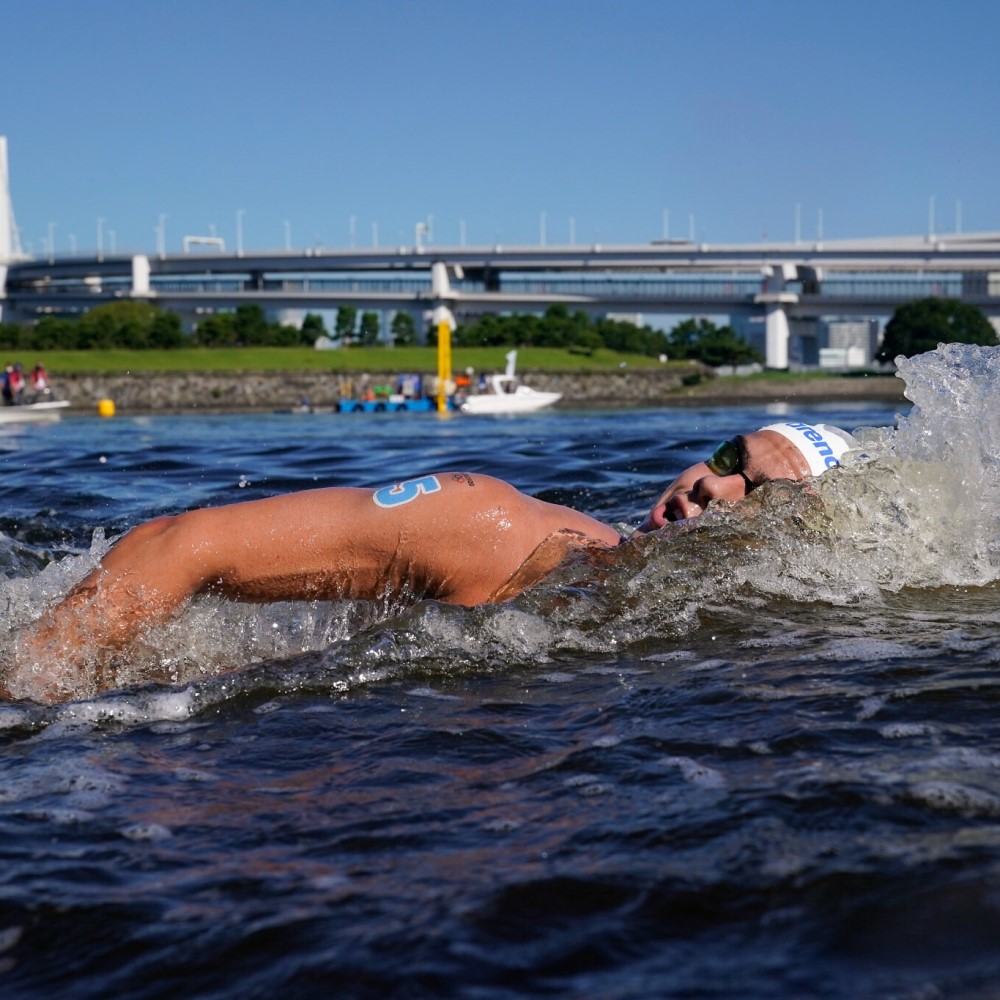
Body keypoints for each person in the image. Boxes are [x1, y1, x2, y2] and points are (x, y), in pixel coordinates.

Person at [13, 421, 856, 701]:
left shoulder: (711, 664)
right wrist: (23, 700)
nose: (713, 485)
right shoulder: (496, 526)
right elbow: (173, 544)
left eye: (758, 491)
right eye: (727, 456)